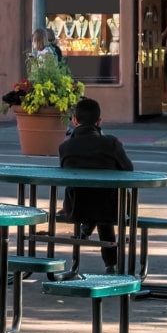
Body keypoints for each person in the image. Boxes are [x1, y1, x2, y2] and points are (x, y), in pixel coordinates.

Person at [57, 96, 133, 273]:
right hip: (112, 208)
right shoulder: (111, 143)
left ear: (75, 121)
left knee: (91, 198)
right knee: (103, 201)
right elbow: (128, 169)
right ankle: (111, 264)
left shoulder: (65, 147)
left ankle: (86, 229)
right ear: (99, 121)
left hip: (76, 208)